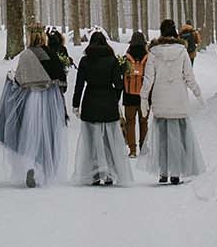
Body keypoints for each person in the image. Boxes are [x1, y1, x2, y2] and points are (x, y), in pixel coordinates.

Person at [0, 24, 68, 188]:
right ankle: (43, 170)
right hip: (50, 101)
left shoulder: (26, 55)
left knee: (29, 133)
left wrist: (11, 78)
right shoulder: (51, 54)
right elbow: (62, 80)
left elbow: (19, 81)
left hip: (31, 100)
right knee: (47, 135)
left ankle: (30, 165)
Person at [140, 18, 206, 185]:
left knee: (162, 138)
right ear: (175, 32)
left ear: (161, 32)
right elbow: (189, 77)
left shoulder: (153, 52)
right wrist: (198, 95)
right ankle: (175, 173)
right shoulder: (182, 51)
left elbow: (148, 78)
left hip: (160, 98)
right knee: (177, 138)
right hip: (178, 99)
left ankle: (163, 172)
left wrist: (144, 98)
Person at [71, 31, 133, 186]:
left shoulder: (85, 61)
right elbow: (119, 84)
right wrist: (115, 98)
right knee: (110, 140)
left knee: (92, 141)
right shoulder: (112, 60)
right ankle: (110, 172)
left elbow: (79, 85)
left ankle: (94, 173)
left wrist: (76, 104)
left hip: (90, 101)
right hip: (108, 101)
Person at [119, 31, 150, 158]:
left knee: (130, 122)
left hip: (129, 96)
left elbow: (121, 76)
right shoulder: (148, 58)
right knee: (144, 122)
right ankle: (143, 147)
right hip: (144, 96)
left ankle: (132, 150)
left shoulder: (126, 58)